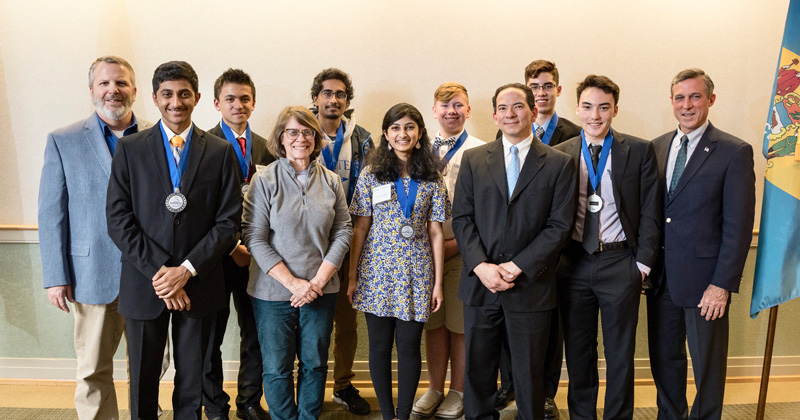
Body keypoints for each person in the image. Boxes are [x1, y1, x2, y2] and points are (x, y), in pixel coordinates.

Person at [106, 61, 242, 420]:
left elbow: (228, 224)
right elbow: (118, 220)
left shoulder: (219, 151)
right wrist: (164, 274)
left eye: (184, 94)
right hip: (144, 282)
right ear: (154, 98)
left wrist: (185, 270)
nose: (176, 102)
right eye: (167, 94)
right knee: (142, 379)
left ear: (197, 98)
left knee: (191, 380)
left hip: (200, 283)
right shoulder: (130, 149)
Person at [452, 83, 575, 420]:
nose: (510, 114)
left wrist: (517, 266)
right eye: (503, 108)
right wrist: (481, 266)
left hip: (531, 286)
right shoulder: (474, 160)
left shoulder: (558, 163)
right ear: (494, 115)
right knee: (478, 372)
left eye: (518, 106)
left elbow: (559, 227)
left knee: (530, 375)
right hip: (481, 285)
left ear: (533, 112)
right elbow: (462, 218)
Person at [39, 55, 152, 420]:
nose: (112, 90)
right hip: (91, 274)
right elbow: (51, 212)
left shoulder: (158, 136)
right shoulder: (63, 140)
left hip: (149, 273)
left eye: (120, 83)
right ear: (91, 91)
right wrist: (56, 276)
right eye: (104, 83)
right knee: (92, 370)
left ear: (134, 90)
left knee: (151, 367)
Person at [647, 68, 756, 420]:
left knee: (707, 365)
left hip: (706, 281)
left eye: (695, 96)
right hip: (661, 278)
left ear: (710, 99)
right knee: (665, 359)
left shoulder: (733, 151)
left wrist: (721, 285)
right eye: (680, 97)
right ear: (671, 102)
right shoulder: (657, 146)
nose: (687, 105)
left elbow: (738, 227)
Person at [553, 75, 661, 420]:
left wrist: (641, 265)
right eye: (587, 107)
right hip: (574, 262)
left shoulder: (640, 150)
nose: (594, 116)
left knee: (620, 352)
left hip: (620, 263)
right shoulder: (560, 154)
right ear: (577, 108)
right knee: (579, 352)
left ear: (615, 109)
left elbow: (650, 211)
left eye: (603, 107)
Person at [242, 106, 353, 420]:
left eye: (307, 132)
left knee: (315, 363)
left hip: (321, 290)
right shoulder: (264, 181)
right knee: (277, 368)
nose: (300, 138)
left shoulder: (331, 182)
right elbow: (253, 236)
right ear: (280, 137)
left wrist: (315, 284)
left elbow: (343, 231)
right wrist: (294, 284)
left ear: (316, 138)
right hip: (272, 293)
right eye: (292, 131)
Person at [348, 103, 449, 420]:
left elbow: (435, 232)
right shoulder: (371, 176)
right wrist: (352, 278)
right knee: (379, 348)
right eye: (395, 128)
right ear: (385, 134)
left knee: (408, 348)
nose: (402, 133)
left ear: (419, 133)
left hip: (417, 273)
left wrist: (438, 283)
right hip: (376, 272)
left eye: (409, 127)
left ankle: (403, 415)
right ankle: (387, 415)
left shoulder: (433, 178)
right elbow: (360, 228)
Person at [495, 60, 582, 417]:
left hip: (557, 257)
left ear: (557, 90)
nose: (541, 93)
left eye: (548, 86)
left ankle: (544, 392)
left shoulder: (576, 133)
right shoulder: (505, 132)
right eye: (535, 87)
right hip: (506, 257)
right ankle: (510, 385)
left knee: (550, 331)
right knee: (507, 326)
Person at [203, 68, 275, 420]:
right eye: (230, 99)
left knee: (255, 334)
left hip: (258, 258)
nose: (238, 105)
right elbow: (201, 207)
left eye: (244, 98)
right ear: (217, 103)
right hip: (217, 257)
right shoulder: (202, 145)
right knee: (211, 337)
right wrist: (232, 246)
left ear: (254, 103)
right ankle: (215, 405)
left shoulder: (269, 147)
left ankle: (249, 401)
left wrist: (256, 250)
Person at [412, 82, 483, 419]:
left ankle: (458, 391)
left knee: (459, 325)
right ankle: (435, 387)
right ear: (433, 110)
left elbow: (487, 212)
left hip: (461, 251)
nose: (451, 111)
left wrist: (452, 248)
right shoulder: (414, 149)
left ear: (468, 110)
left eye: (458, 105)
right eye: (444, 105)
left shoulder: (482, 151)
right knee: (433, 325)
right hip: (422, 256)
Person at [309, 67, 373, 415]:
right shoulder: (300, 132)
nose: (334, 100)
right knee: (311, 321)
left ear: (348, 100)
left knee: (347, 323)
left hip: (350, 246)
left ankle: (344, 384)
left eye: (341, 95)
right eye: (327, 93)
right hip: (309, 246)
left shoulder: (363, 139)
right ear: (315, 97)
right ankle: (310, 386)